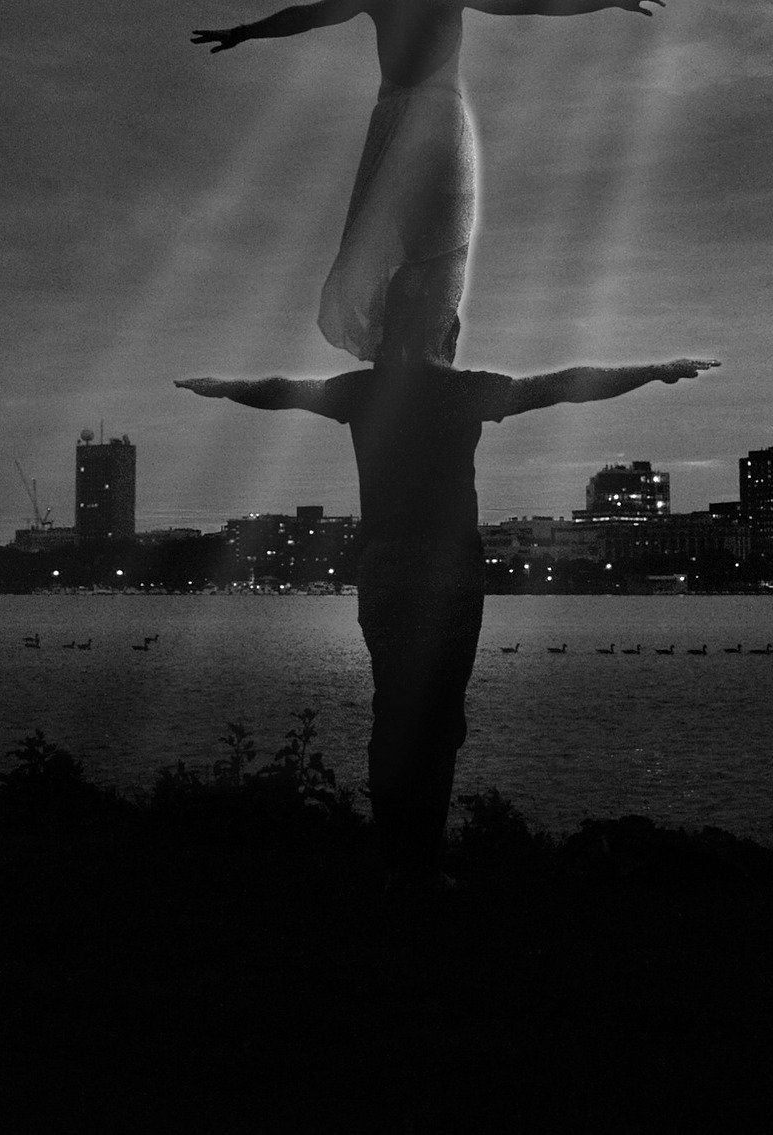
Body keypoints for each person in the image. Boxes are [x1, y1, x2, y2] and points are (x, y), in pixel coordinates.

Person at [177, 343, 718, 886]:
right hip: (448, 568)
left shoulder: (365, 390)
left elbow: (281, 392)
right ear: (445, 334)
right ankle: (421, 865)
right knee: (440, 722)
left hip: (386, 566)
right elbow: (565, 385)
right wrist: (652, 371)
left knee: (393, 712)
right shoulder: (462, 390)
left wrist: (223, 386)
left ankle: (397, 861)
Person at [191, 0, 665, 363]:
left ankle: (401, 350)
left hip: (394, 124)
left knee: (403, 238)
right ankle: (428, 354)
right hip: (439, 121)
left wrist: (243, 32)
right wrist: (612, 0)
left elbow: (307, 16)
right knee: (443, 247)